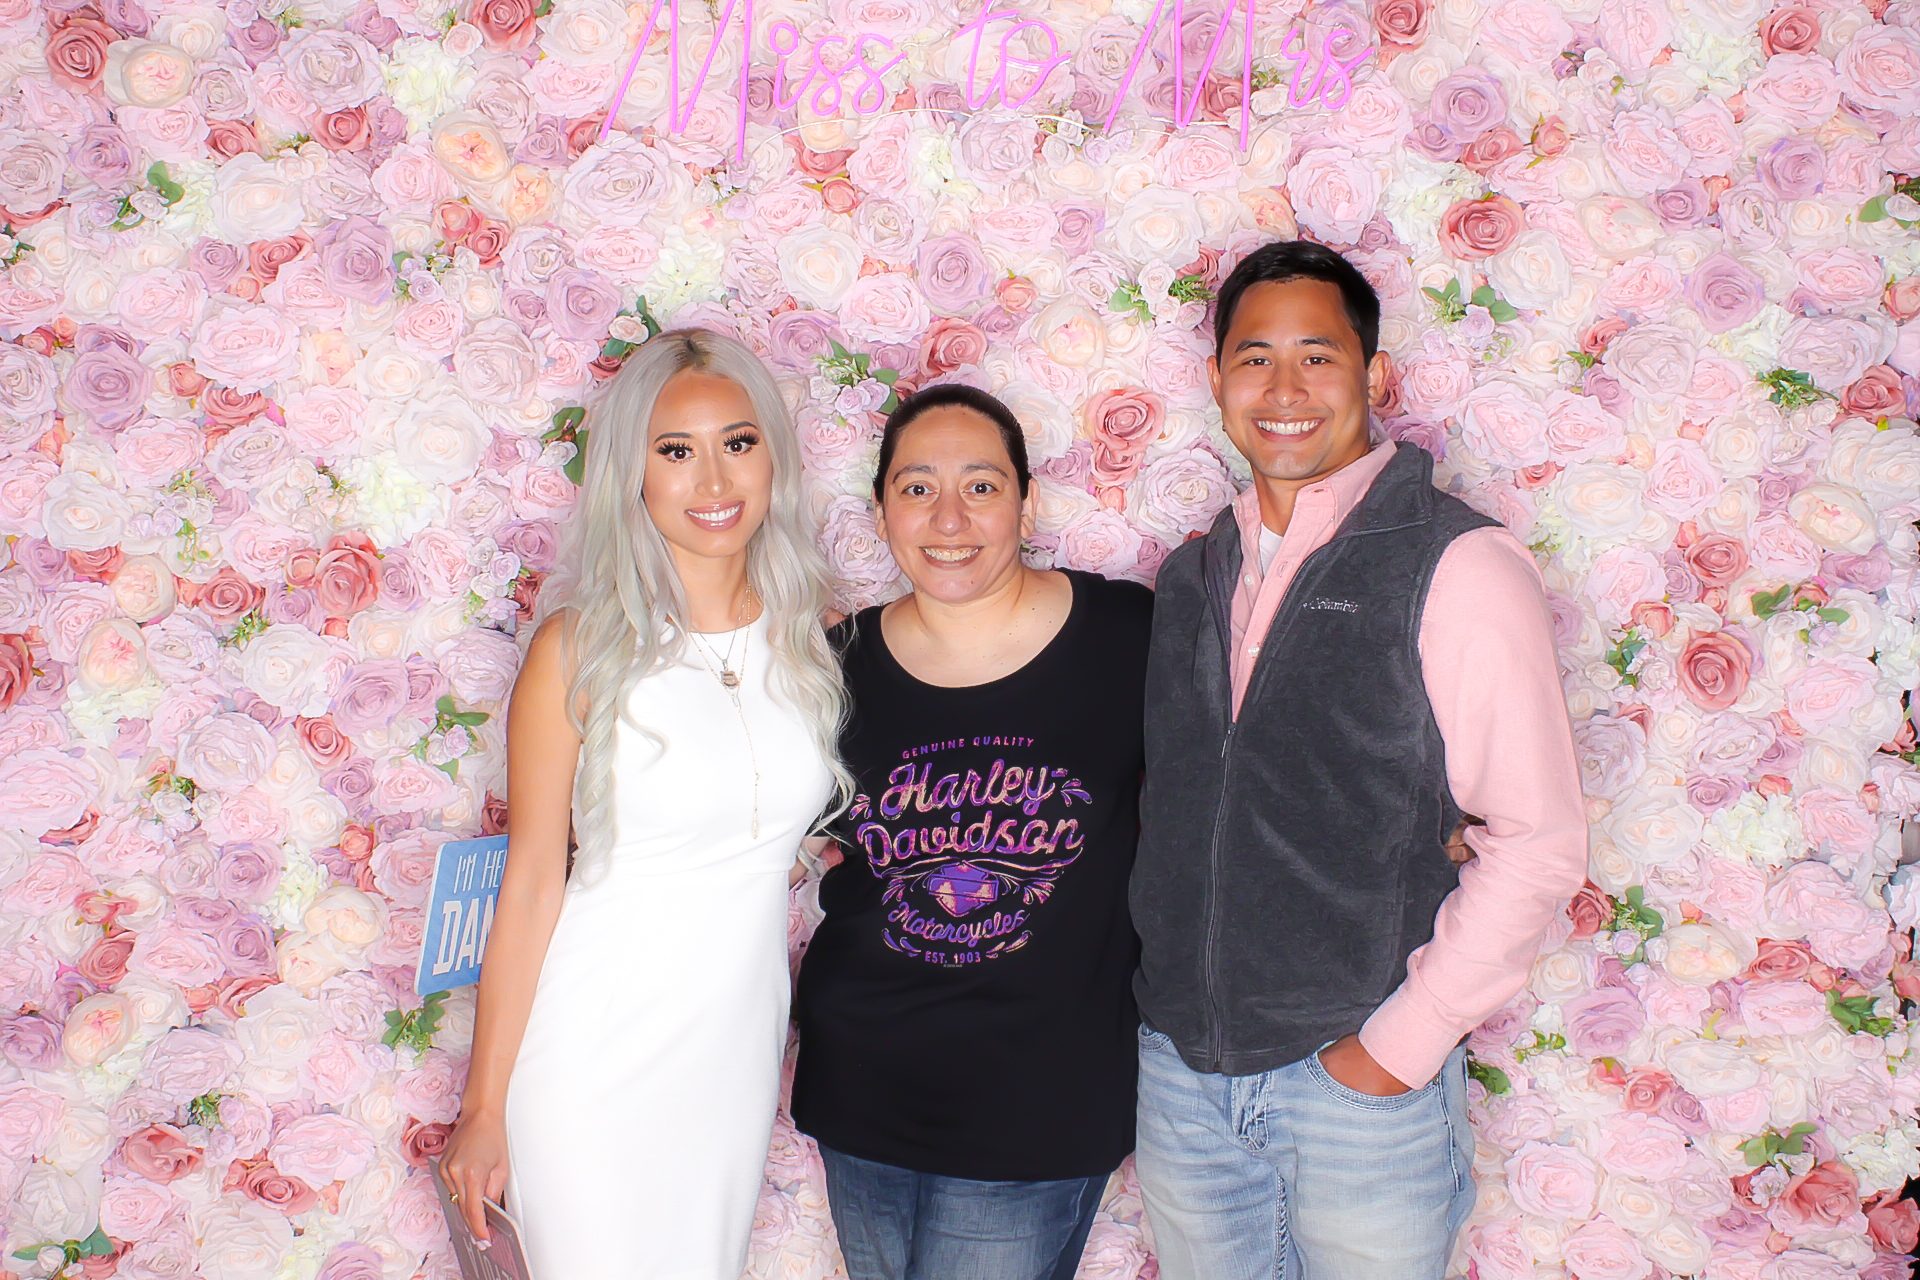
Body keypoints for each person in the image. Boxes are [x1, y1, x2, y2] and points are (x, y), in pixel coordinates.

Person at [1129, 240, 1589, 1279]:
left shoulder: (1456, 560)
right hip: (1184, 1079)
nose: (1283, 390)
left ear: (1374, 375)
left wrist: (1397, 1047)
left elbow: (1540, 838)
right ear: (1216, 380)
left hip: (1357, 1082)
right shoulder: (1192, 576)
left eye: (1318, 357)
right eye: (1254, 358)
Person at [439, 329, 848, 1280]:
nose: (713, 478)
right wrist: (483, 1105)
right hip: (590, 1048)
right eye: (676, 451)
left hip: (732, 1053)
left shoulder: (820, 640)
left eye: (738, 443)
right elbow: (535, 878)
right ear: (633, 473)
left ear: (773, 458)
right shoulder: (576, 650)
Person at [792, 385, 1153, 1280]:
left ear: (1027, 502)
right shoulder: (837, 667)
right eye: (916, 488)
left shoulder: (1130, 638)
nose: (948, 518)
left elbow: (1251, 766)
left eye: (982, 486)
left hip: (1038, 1100)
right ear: (881, 510)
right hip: (860, 1086)